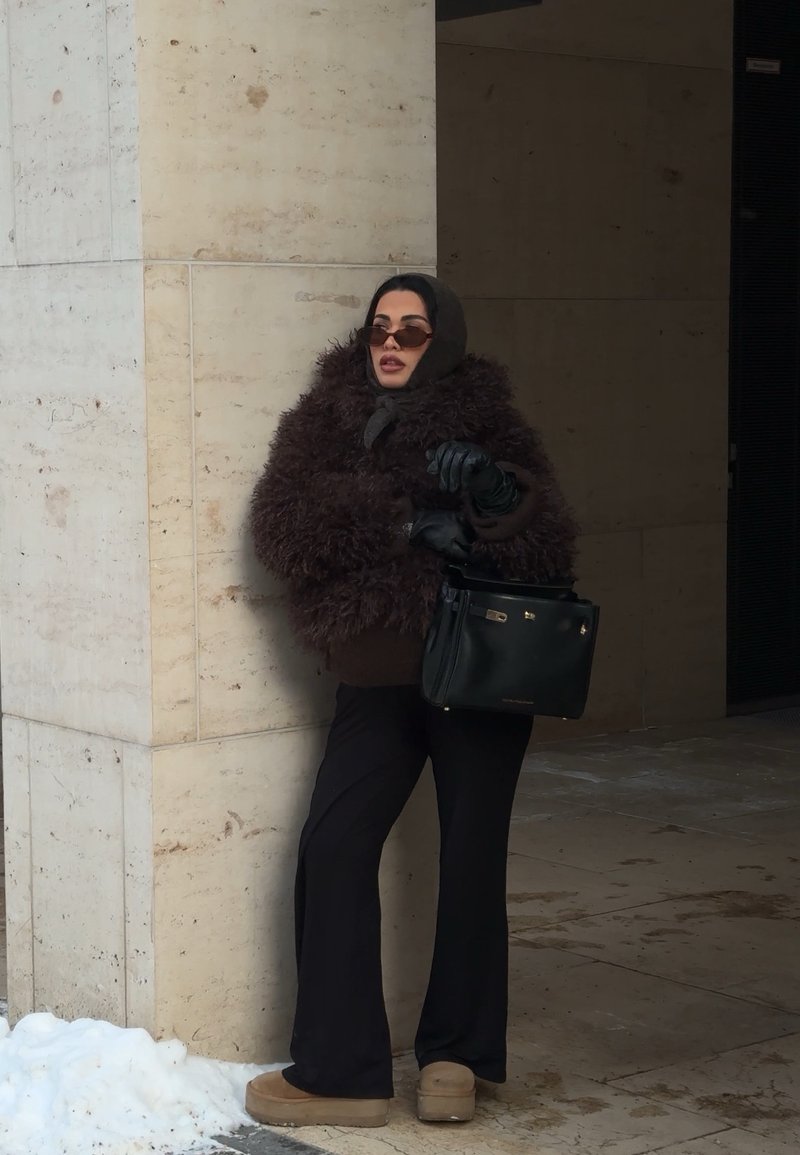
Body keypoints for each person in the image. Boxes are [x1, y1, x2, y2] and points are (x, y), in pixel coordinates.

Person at [245, 274, 577, 1128]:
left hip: (478, 676)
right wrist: (401, 524)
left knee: (471, 863)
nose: (391, 342)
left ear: (446, 341)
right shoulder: (326, 416)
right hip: (380, 676)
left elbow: (549, 549)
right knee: (334, 848)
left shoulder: (490, 421)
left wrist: (500, 500)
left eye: (414, 331)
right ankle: (342, 1070)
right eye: (380, 328)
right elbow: (283, 523)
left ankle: (455, 1062)